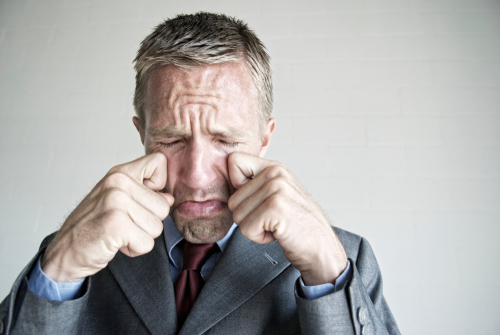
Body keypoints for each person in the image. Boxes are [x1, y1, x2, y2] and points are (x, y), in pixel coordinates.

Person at [0, 12, 400, 335]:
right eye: (171, 140)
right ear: (142, 134)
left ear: (264, 139)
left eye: (225, 140)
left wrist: (328, 272)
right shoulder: (75, 251)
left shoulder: (346, 259)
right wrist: (58, 268)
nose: (195, 176)